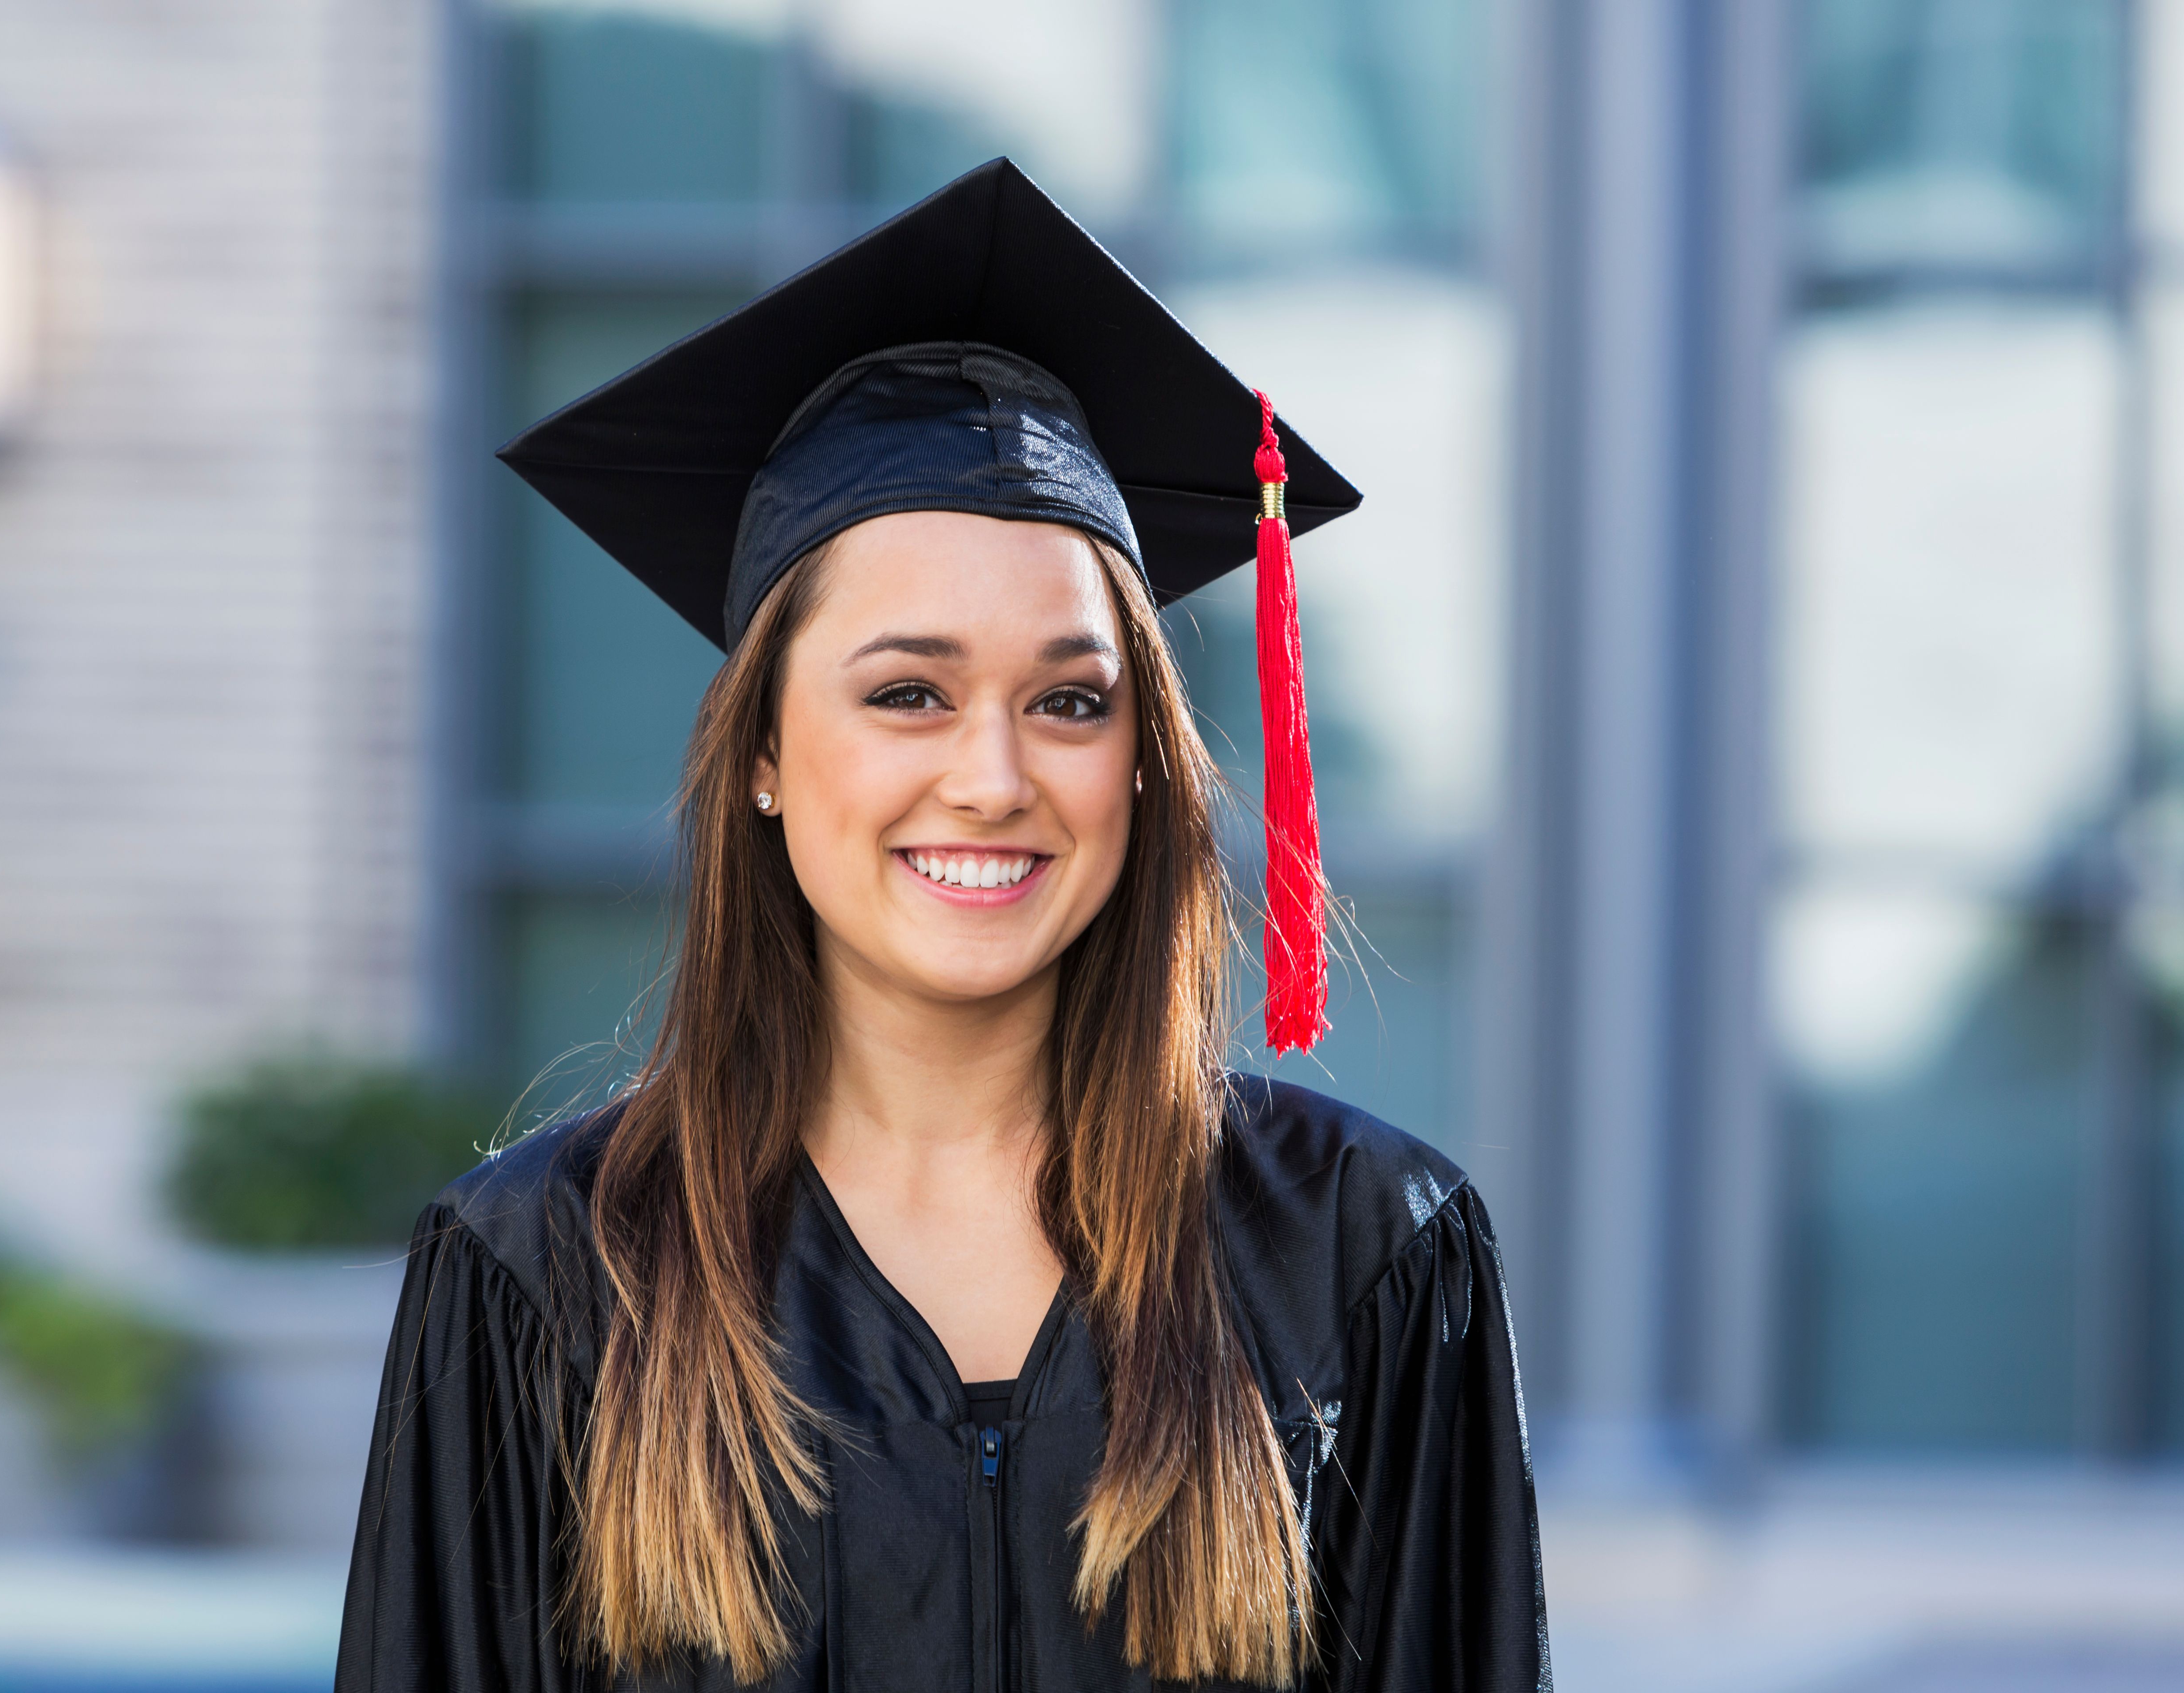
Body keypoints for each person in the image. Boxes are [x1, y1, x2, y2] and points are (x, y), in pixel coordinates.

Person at [336, 160, 1549, 1693]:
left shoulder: (1361, 1254)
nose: (993, 777)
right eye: (909, 692)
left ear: (1145, 759)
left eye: (1070, 702)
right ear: (764, 752)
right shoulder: (549, 1278)